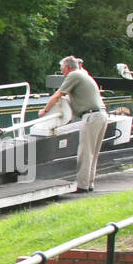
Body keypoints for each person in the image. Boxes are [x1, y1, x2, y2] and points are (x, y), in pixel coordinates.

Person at [39, 55, 107, 192]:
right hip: (101, 114)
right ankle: (89, 183)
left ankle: (82, 185)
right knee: (93, 152)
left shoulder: (73, 75)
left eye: (62, 68)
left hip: (91, 116)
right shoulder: (84, 74)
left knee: (85, 151)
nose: (61, 71)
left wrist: (44, 111)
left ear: (68, 67)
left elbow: (58, 94)